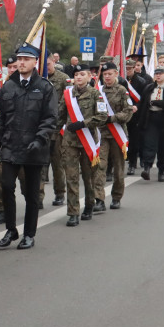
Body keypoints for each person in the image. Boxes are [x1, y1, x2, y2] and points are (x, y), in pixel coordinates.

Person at [0, 43, 56, 250]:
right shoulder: (8, 86)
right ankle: (11, 229)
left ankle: (29, 233)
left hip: (34, 148)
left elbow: (50, 118)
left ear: (35, 62)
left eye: (26, 59)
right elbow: (0, 118)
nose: (21, 62)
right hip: (10, 146)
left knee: (31, 194)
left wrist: (39, 139)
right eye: (19, 58)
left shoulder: (45, 87)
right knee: (6, 187)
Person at [58, 63, 107, 225]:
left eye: (82, 75)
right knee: (71, 177)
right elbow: (59, 116)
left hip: (88, 141)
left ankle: (89, 205)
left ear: (89, 77)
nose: (79, 77)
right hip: (70, 142)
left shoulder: (96, 95)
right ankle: (73, 212)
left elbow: (102, 116)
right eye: (76, 75)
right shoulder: (67, 94)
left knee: (89, 177)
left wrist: (83, 124)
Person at [97, 62, 133, 209]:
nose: (107, 77)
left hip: (118, 134)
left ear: (116, 74)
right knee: (100, 166)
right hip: (102, 134)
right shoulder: (97, 91)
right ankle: (99, 199)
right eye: (104, 74)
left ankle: (116, 197)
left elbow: (128, 111)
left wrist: (112, 118)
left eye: (109, 74)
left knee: (118, 169)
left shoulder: (122, 90)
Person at [0, 55, 19, 226]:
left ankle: (35, 200)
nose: (13, 69)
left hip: (23, 141)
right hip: (3, 140)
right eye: (10, 67)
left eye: (16, 66)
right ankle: (1, 209)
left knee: (27, 179)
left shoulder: (34, 86)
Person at [47, 61, 70, 206]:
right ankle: (39, 196)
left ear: (53, 63)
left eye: (48, 63)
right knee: (40, 165)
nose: (46, 66)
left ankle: (60, 193)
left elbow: (68, 101)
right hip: (41, 128)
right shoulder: (38, 77)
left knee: (57, 163)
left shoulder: (63, 78)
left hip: (57, 127)